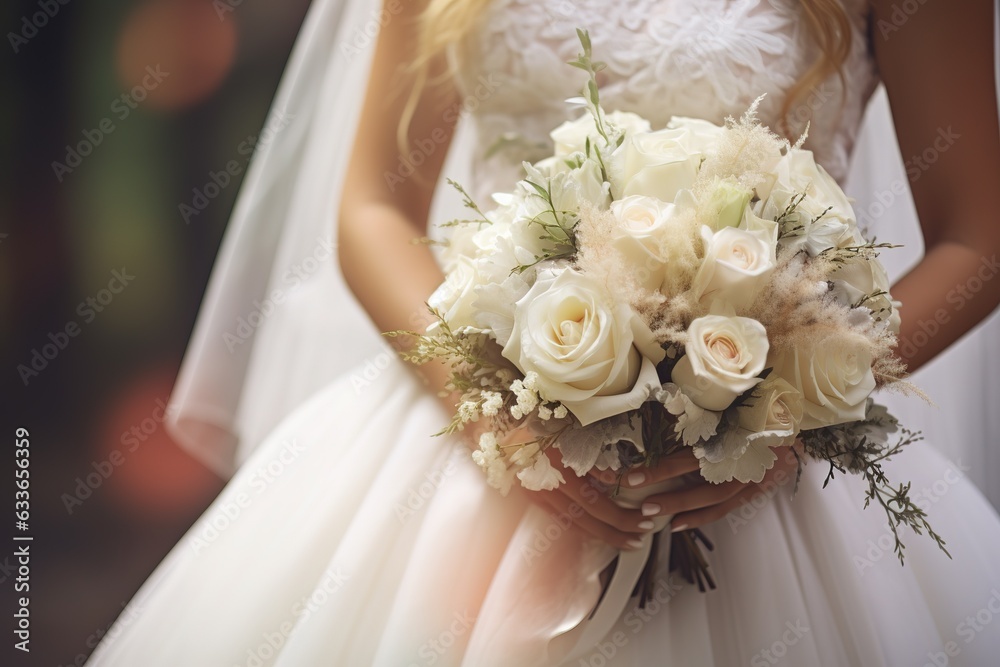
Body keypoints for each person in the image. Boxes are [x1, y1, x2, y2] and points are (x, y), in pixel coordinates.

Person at [87, 0, 1000, 664]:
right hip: (487, 431)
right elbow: (373, 207)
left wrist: (790, 408)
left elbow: (978, 237)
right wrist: (490, 409)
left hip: (766, 467)